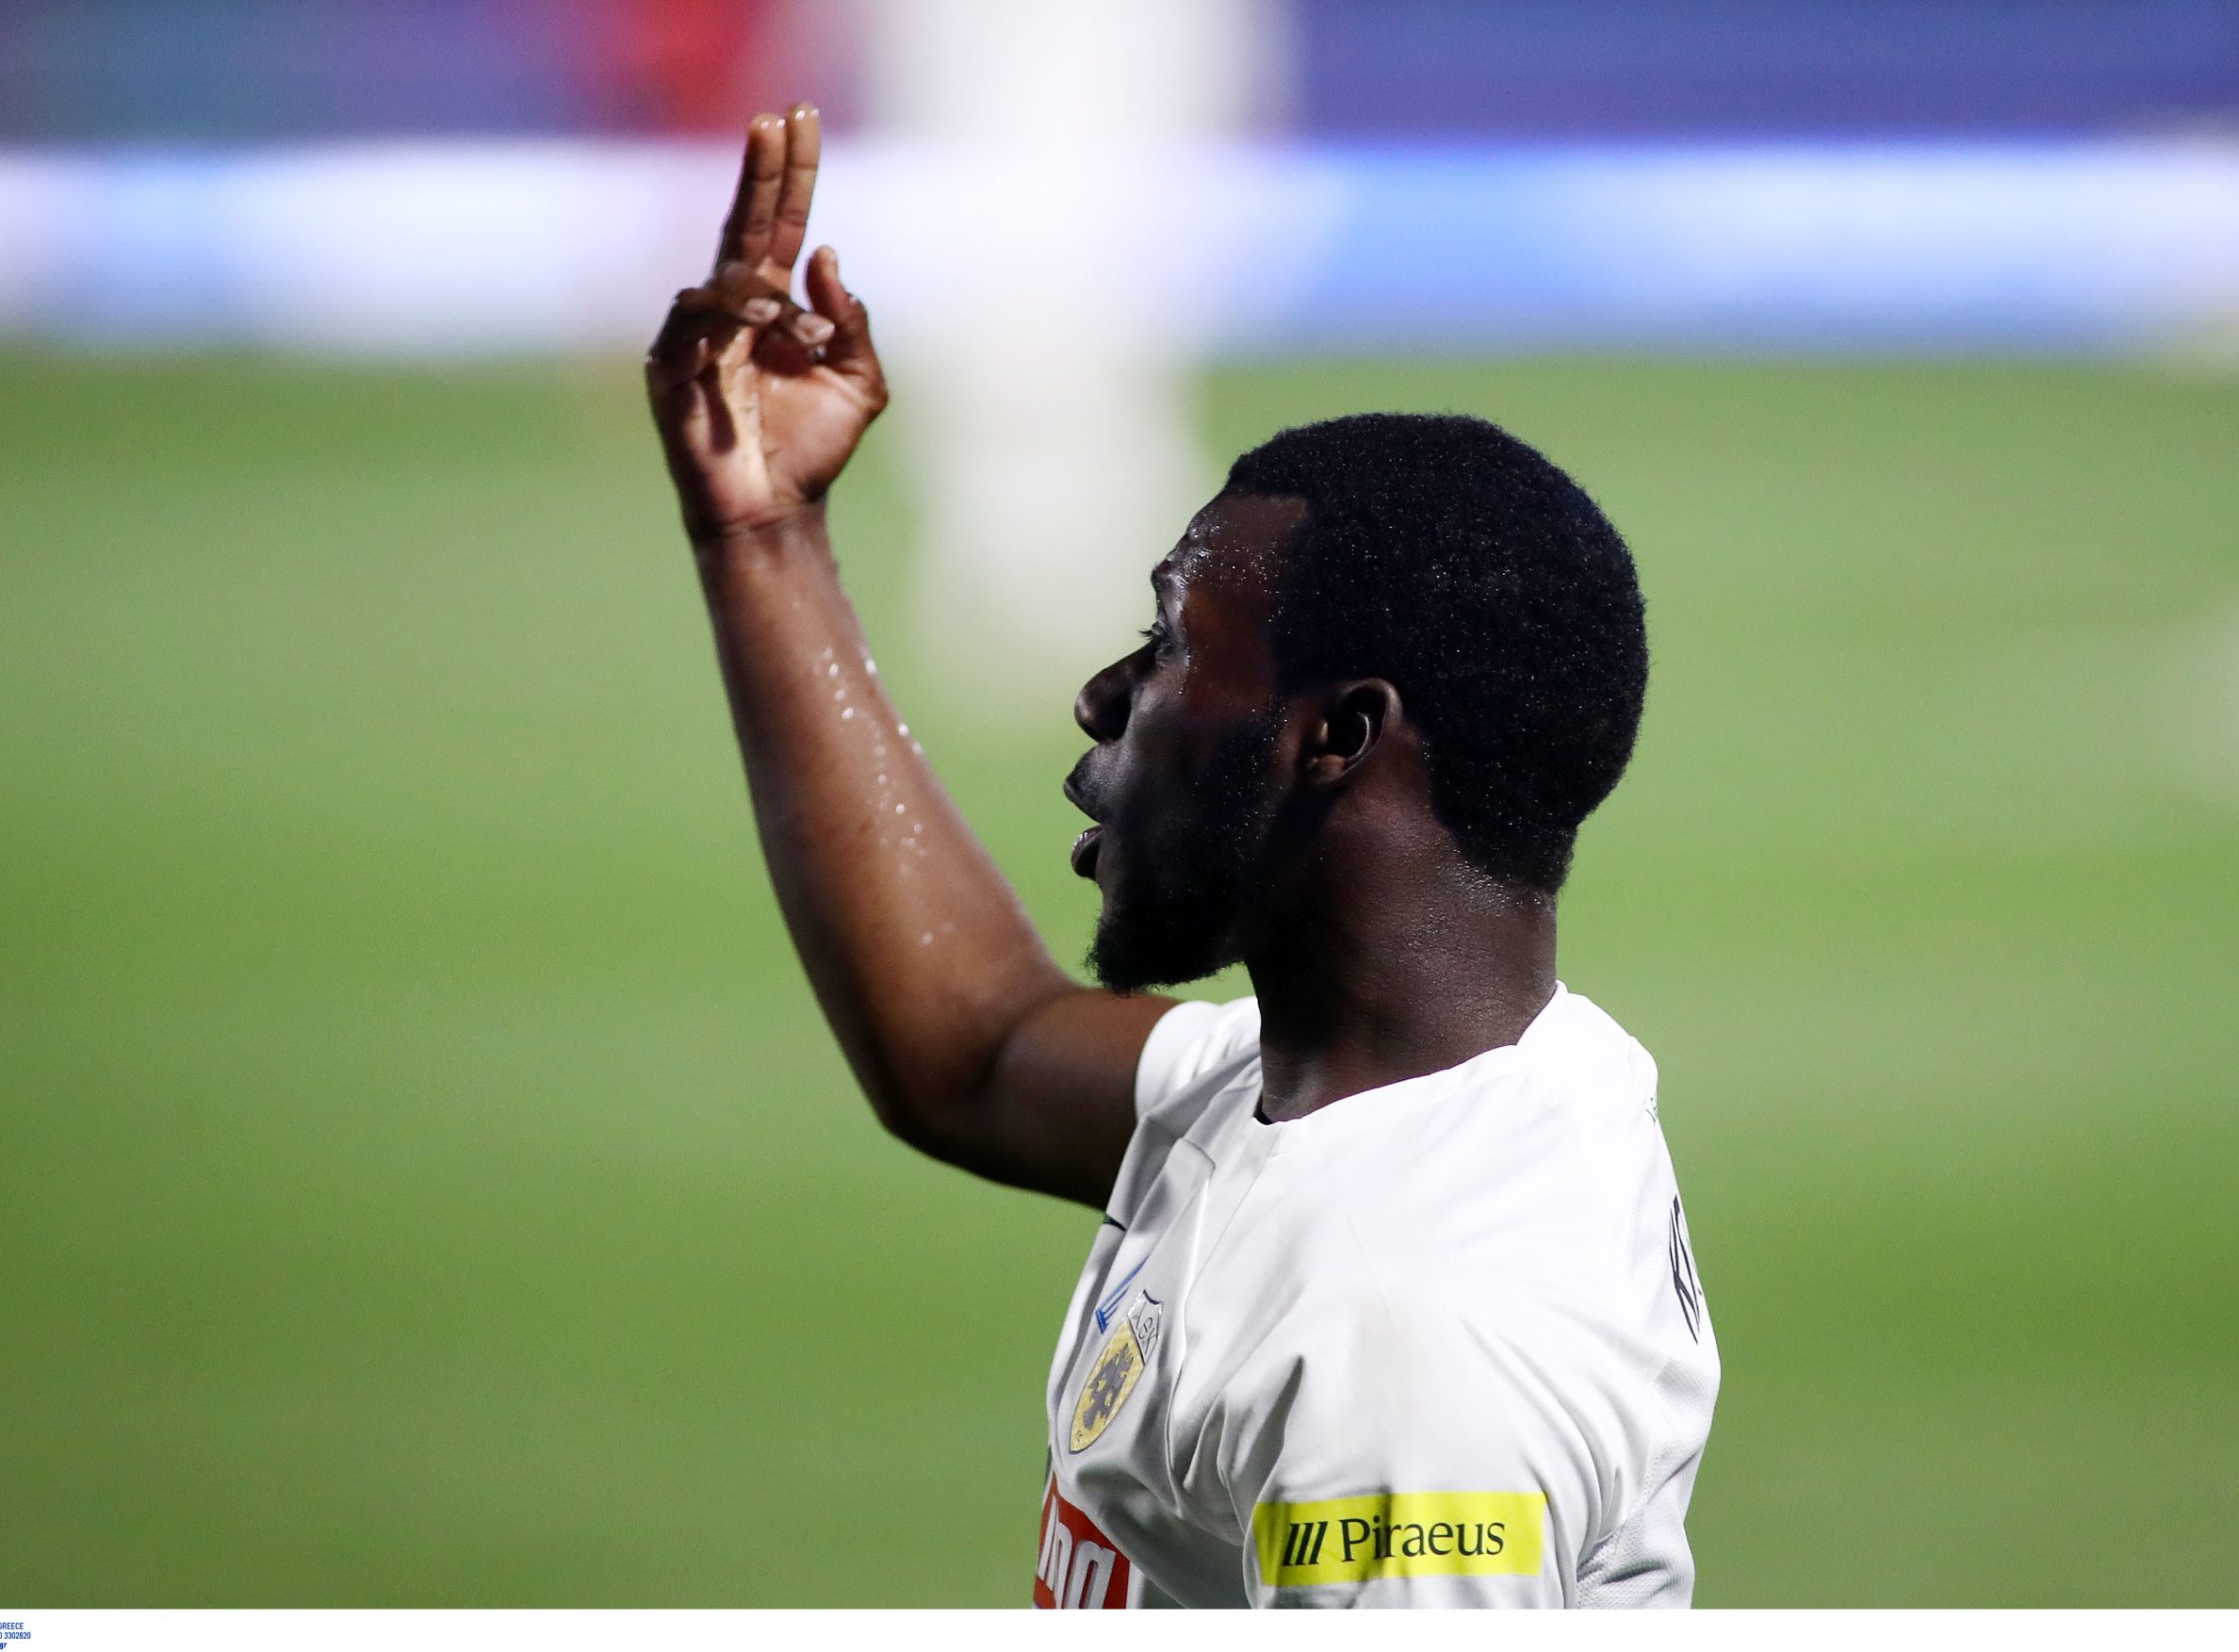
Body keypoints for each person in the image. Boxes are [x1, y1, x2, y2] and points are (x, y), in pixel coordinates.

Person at [646, 106, 1719, 1610]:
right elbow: (972, 1047)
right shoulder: (1367, 1085)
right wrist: (761, 535)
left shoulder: (1405, 1352)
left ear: (1335, 736)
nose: (1104, 696)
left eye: (1169, 645)